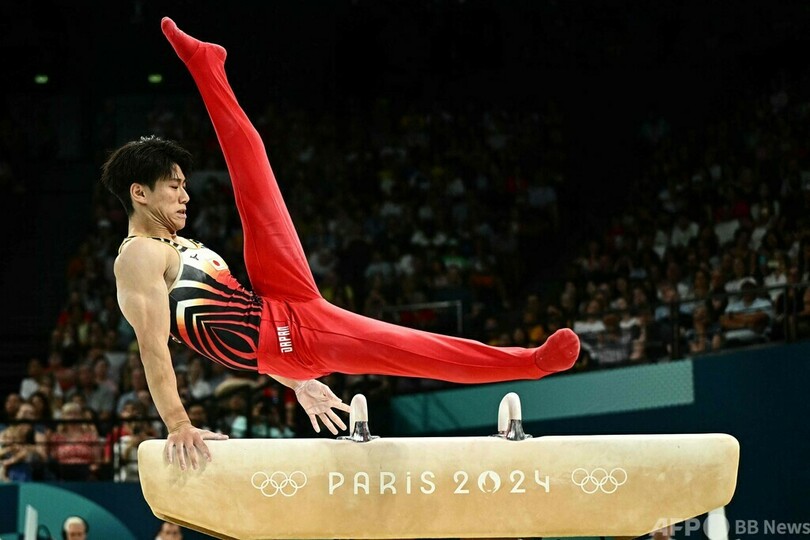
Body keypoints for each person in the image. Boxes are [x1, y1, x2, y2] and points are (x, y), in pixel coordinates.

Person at [101, 18, 580, 470]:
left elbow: (226, 326)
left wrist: (299, 384)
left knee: (253, 170)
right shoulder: (139, 255)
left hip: (276, 303)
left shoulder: (177, 243)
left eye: (184, 185)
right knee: (415, 350)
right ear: (139, 194)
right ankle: (531, 363)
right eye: (174, 187)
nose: (185, 196)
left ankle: (207, 65)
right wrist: (179, 424)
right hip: (293, 336)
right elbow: (153, 349)